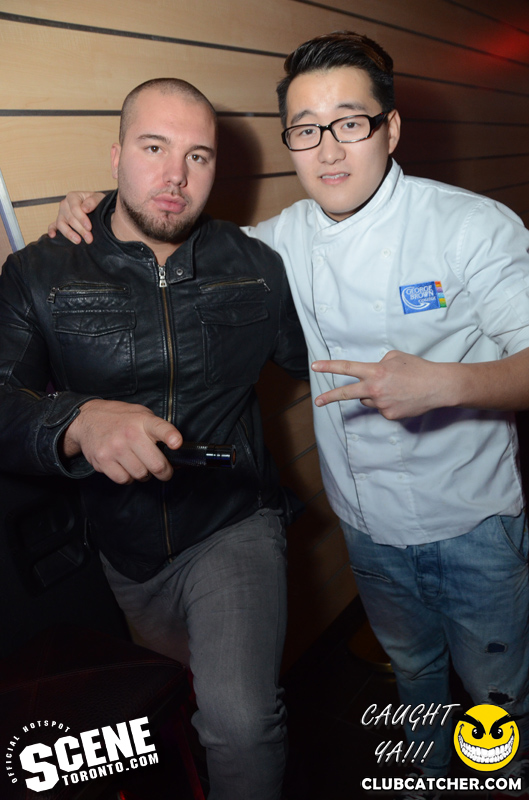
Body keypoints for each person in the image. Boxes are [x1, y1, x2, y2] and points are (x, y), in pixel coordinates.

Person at [51, 31, 529, 798]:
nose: (328, 150)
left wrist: (443, 384)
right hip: (368, 528)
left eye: (349, 123)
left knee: (497, 696)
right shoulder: (278, 244)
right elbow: (170, 236)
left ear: (390, 128)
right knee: (412, 674)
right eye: (305, 130)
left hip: (472, 523)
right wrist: (96, 209)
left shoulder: (471, 227)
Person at [0, 77, 309, 800]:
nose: (175, 176)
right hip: (123, 549)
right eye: (153, 148)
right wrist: (76, 420)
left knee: (239, 722)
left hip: (232, 521)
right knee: (184, 700)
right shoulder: (41, 271)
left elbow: (323, 355)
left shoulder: (256, 267)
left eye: (198, 156)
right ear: (115, 157)